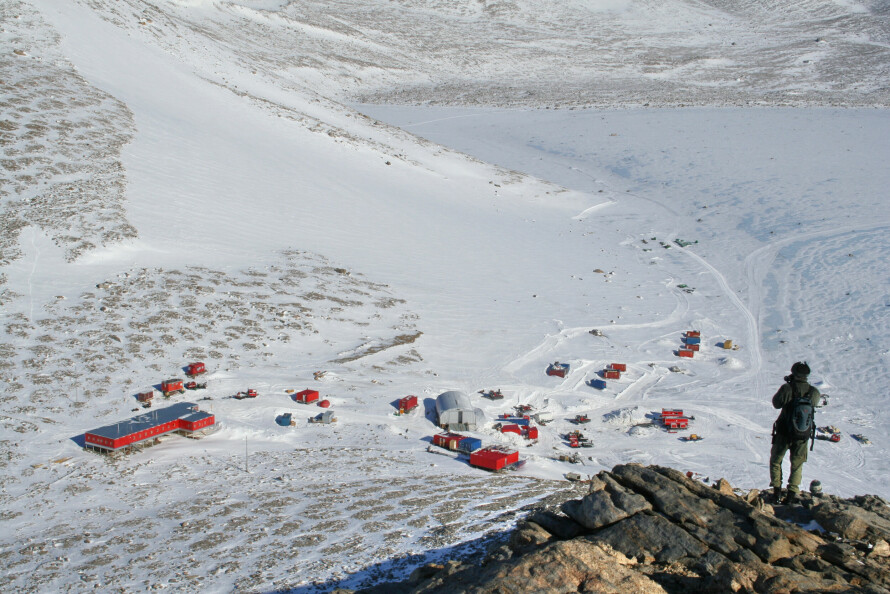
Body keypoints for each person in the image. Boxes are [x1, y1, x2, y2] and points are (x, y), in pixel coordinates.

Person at [769, 361, 821, 504]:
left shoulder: (787, 388)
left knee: (776, 461)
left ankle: (777, 492)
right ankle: (792, 494)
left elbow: (776, 404)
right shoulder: (814, 392)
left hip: (784, 432)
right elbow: (815, 405)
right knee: (797, 464)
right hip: (802, 435)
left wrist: (788, 388)